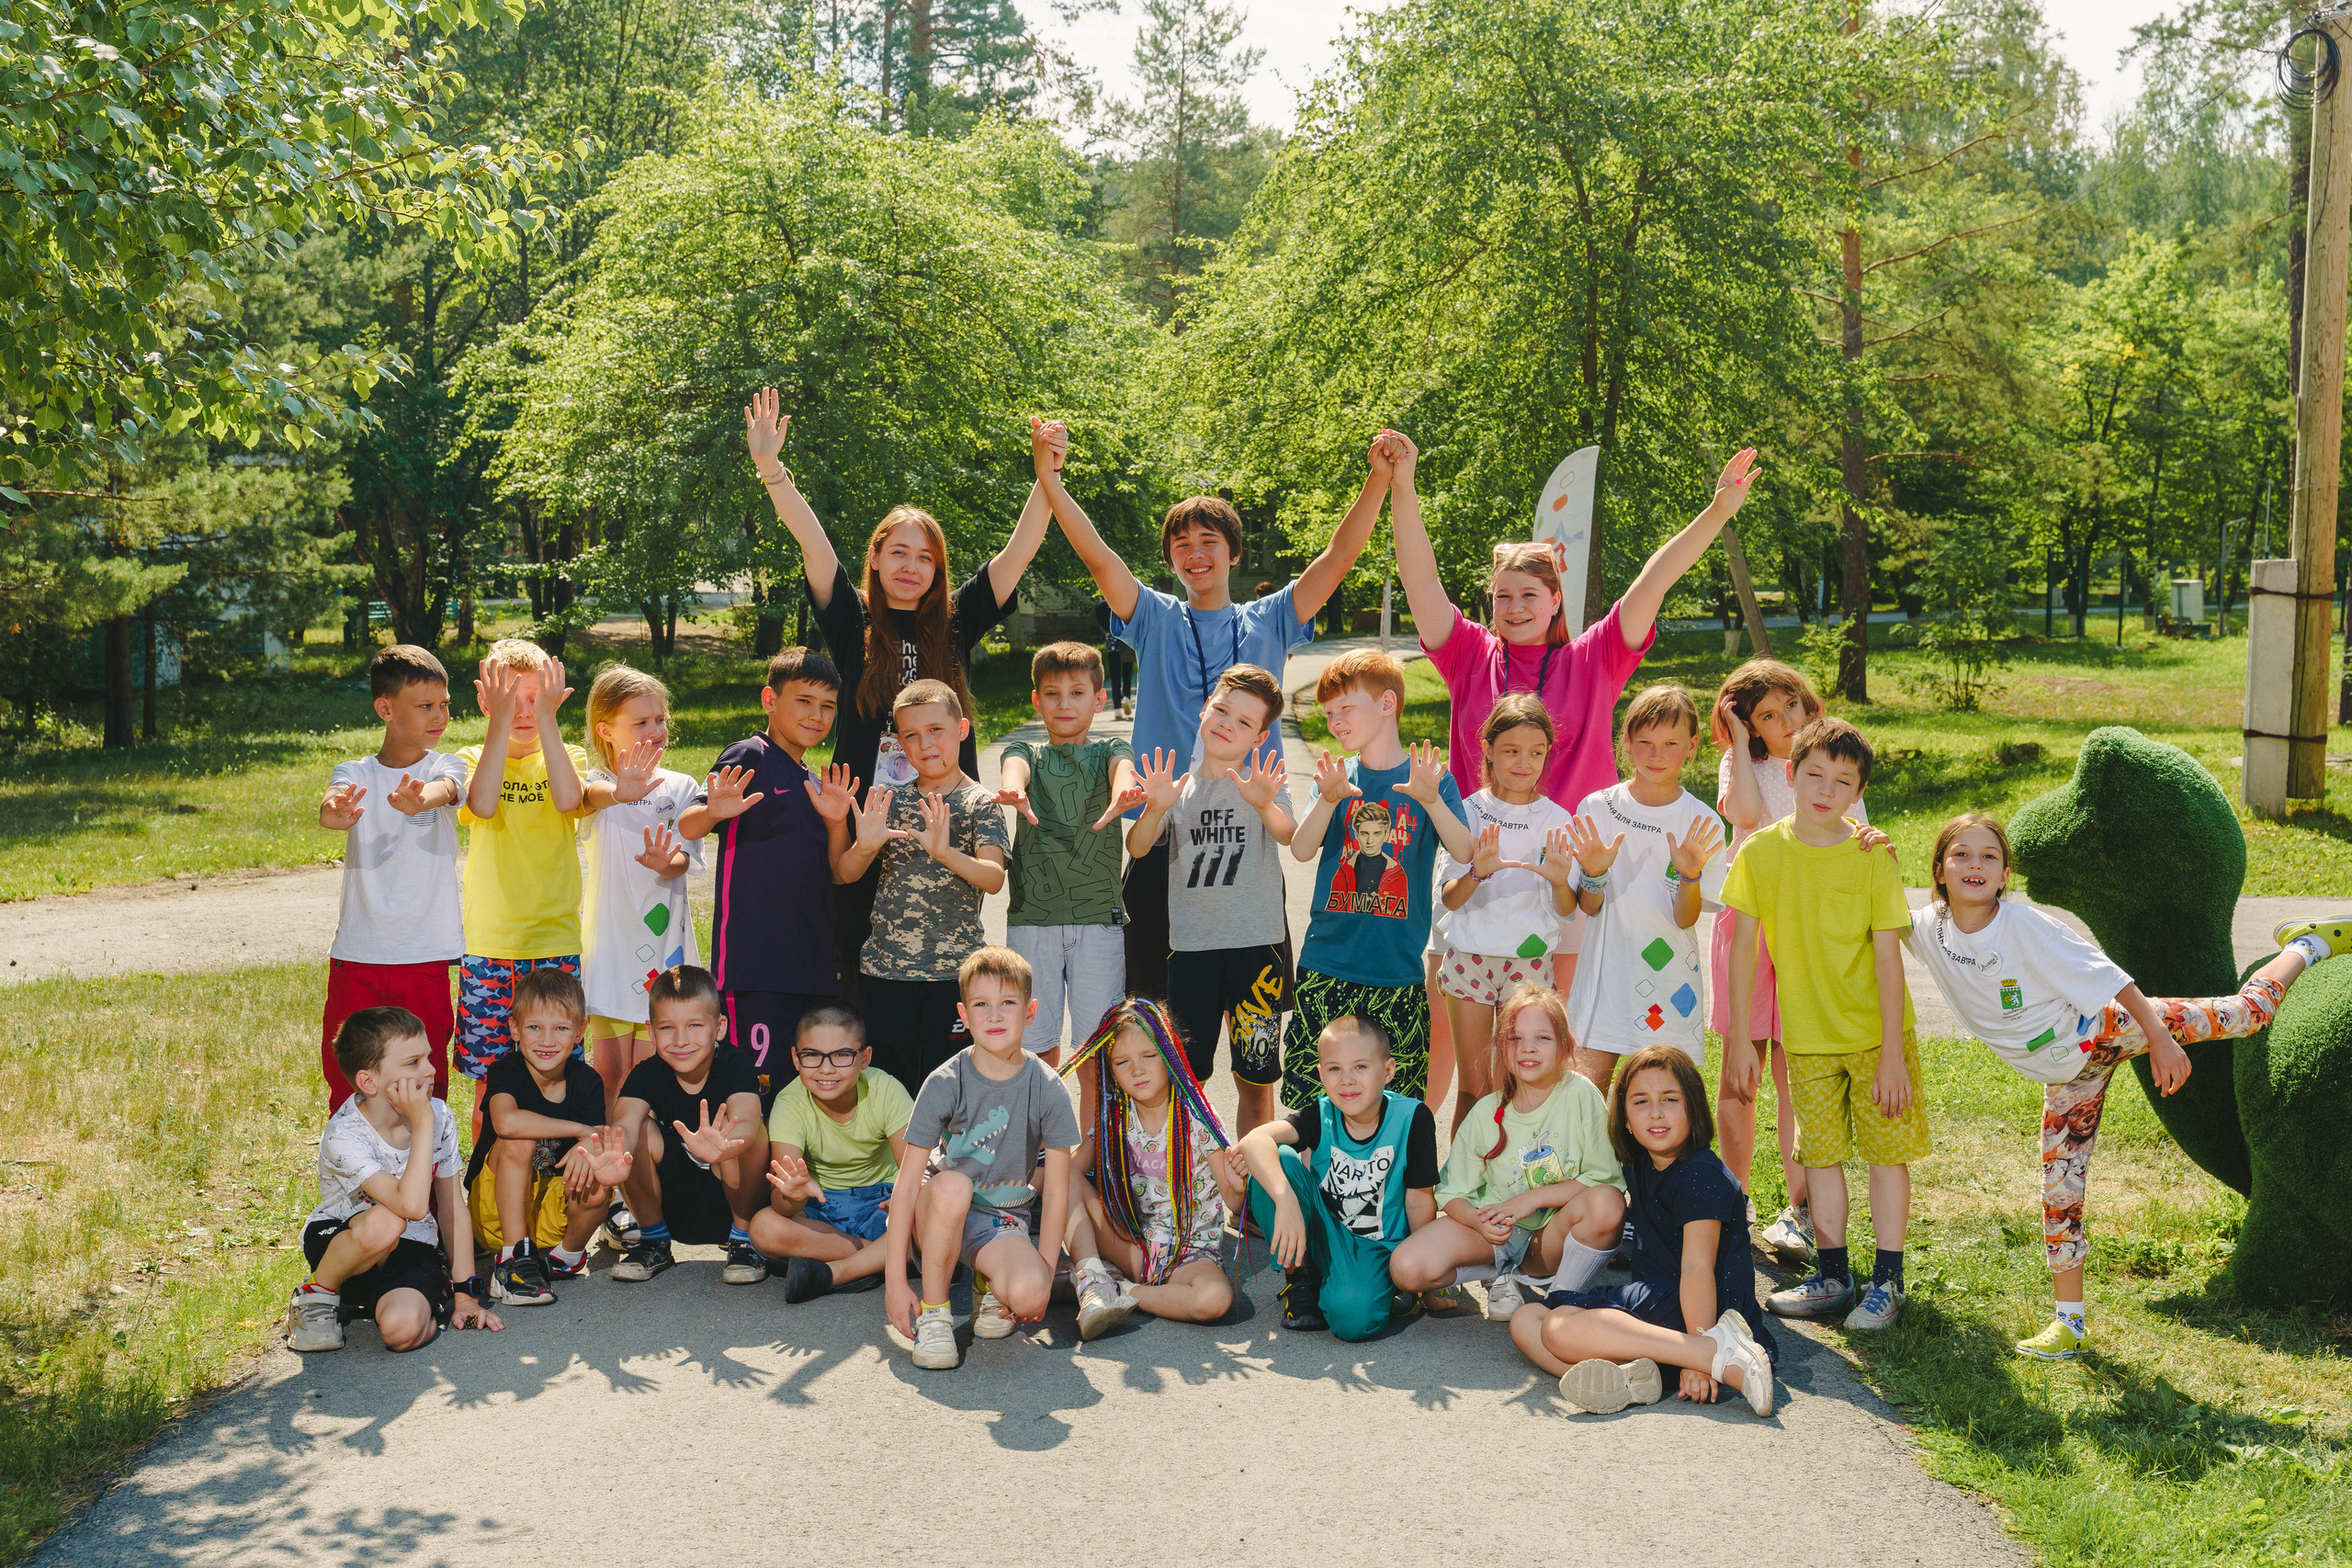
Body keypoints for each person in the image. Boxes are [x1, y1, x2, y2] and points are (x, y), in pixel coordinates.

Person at [1385, 430, 1761, 1107]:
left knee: (1544, 1064)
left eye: (1530, 594)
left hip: (1568, 891)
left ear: (1557, 600)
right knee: (1461, 1065)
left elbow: (1654, 580)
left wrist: (1717, 512)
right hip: (1482, 882)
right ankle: (1442, 1190)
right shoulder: (1470, 654)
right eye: (1503, 596)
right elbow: (1422, 580)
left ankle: (1547, 1195)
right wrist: (1403, 485)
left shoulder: (1593, 661)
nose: (1515, 607)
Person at [1903, 813, 2348, 1360]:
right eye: (1962, 855)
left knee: (2244, 1014)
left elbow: (2111, 977)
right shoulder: (1925, 927)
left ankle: (2308, 945)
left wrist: (2160, 1039)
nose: (1975, 865)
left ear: (2005, 874)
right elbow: (1864, 904)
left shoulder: (2024, 927)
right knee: (2059, 1197)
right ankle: (2070, 1325)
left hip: (2113, 1027)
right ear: (1940, 870)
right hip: (2069, 1076)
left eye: (1989, 857)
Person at [1037, 426, 1395, 1000]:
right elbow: (1098, 559)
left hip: (1245, 838)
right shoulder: (1153, 617)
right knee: (1156, 1028)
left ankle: (1252, 1094)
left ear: (1233, 551)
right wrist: (1050, 481)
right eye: (1181, 545)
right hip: (1163, 836)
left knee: (1254, 1048)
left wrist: (1378, 479)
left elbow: (1339, 556)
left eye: (1208, 541)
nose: (1195, 554)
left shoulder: (1272, 618)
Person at [743, 390, 1052, 1008]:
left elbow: (1018, 552)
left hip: (946, 815)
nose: (912, 566)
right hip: (864, 812)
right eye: (899, 553)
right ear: (877, 558)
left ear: (939, 570)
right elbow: (813, 543)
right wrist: (772, 470)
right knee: (854, 952)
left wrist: (1047, 479)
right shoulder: (852, 618)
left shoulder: (958, 618)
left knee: (946, 952)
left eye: (926, 557)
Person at [1721, 717, 1919, 1331]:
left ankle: (1889, 1280)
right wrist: (1737, 1040)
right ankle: (1834, 1275)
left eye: (1843, 780)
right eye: (1815, 775)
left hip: (1875, 1036)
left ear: (1857, 792)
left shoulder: (1872, 856)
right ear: (1790, 774)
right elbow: (1742, 947)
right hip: (1804, 1038)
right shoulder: (1760, 852)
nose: (1826, 789)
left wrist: (1891, 1053)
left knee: (1887, 1157)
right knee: (1822, 1157)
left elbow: (1889, 958)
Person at [1507, 1043, 1776, 1417]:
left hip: (1705, 1309)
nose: (1656, 1114)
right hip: (1656, 1306)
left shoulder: (1701, 1175)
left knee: (1556, 1328)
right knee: (1525, 1320)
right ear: (1627, 1121)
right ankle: (1626, 1382)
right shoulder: (1640, 1162)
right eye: (1640, 1102)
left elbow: (1698, 1268)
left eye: (1670, 1099)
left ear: (1694, 1109)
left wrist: (1698, 1356)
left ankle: (1715, 1354)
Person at [1708, 658, 1863, 1266]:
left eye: (1791, 706)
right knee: (1738, 1073)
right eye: (1766, 715)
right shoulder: (1739, 764)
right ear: (1745, 723)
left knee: (1797, 1073)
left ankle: (1799, 1207)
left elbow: (1856, 831)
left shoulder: (1829, 763)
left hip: (1809, 933)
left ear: (1807, 703)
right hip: (1747, 925)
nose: (1785, 720)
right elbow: (1746, 815)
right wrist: (1742, 750)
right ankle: (1732, 1196)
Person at [1282, 649, 1475, 1108]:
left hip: (1396, 974)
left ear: (1387, 704)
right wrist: (1328, 800)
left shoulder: (1431, 779)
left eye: (1345, 708)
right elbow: (1302, 849)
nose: (1335, 722)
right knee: (1315, 1104)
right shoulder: (1336, 777)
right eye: (1328, 714)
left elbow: (1465, 851)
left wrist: (1430, 800)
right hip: (1327, 966)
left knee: (1392, 1108)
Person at [883, 946, 1080, 1371]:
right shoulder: (944, 1082)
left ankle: (987, 1283)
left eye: (1007, 1004)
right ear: (964, 1014)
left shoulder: (1048, 1088)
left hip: (1002, 1219)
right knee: (955, 1185)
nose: (994, 1016)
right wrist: (895, 1282)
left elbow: (1059, 1191)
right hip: (938, 1210)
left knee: (1028, 1294)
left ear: (1030, 1012)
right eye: (981, 1005)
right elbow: (906, 1184)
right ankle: (936, 1313)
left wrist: (1045, 1271)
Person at [1123, 663, 1296, 1139]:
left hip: (1256, 950)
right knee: (1188, 1079)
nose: (1228, 724)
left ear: (1259, 738)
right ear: (1204, 709)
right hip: (1192, 951)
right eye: (1222, 710)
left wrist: (1263, 803)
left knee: (1256, 1081)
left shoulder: (1264, 784)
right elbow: (1138, 848)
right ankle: (1193, 1179)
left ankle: (1253, 1184)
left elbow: (1289, 834)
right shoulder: (1176, 790)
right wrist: (1155, 806)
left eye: (1245, 722)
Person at [679, 647, 855, 1110]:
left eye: (828, 706)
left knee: (806, 1092)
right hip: (756, 964)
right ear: (769, 700)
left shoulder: (814, 780)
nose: (817, 716)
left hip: (812, 964)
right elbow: (689, 823)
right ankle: (746, 1182)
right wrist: (711, 811)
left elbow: (837, 873)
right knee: (753, 1094)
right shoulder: (750, 754)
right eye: (804, 701)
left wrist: (839, 822)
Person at [1392, 986, 1624, 1322]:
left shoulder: (1580, 1095)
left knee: (1608, 1204)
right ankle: (1498, 1271)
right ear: (1501, 1048)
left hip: (1553, 1237)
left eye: (1542, 1038)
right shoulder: (1486, 1112)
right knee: (1406, 1268)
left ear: (1565, 1046)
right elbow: (1452, 1193)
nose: (1528, 1047)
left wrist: (1530, 1200)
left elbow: (1605, 1179)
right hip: (1498, 1231)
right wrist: (1478, 1223)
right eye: (1515, 1038)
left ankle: (1561, 1300)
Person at [286, 1006, 502, 1353]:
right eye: (413, 1062)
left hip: (410, 1249)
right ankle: (316, 1298)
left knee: (402, 1333)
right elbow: (412, 1206)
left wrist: (465, 1297)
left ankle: (404, 1300)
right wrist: (422, 1123)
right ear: (369, 1082)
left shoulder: (439, 1117)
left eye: (429, 1057)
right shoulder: (345, 1134)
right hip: (343, 1246)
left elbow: (451, 1210)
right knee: (386, 1222)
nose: (431, 1069)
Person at [833, 679, 1011, 1088]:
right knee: (889, 1087)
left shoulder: (978, 803)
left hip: (952, 974)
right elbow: (845, 874)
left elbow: (994, 878)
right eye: (912, 735)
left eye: (936, 731)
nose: (926, 744)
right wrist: (865, 845)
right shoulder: (889, 800)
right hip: (885, 973)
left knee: (949, 1088)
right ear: (899, 743)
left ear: (961, 730)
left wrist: (946, 853)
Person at [317, 644, 467, 1111]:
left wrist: (422, 799)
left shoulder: (444, 766)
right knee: (350, 1074)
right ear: (385, 708)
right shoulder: (355, 772)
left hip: (423, 958)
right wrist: (336, 812)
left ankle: (424, 1180)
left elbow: (449, 789)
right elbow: (332, 802)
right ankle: (356, 1178)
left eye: (444, 705)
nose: (439, 716)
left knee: (423, 1080)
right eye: (425, 706)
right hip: (357, 956)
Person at [1562, 684, 1727, 1092]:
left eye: (1671, 743)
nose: (1657, 755)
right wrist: (1594, 875)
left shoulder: (1702, 823)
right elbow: (1589, 906)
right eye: (1646, 742)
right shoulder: (1596, 808)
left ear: (1691, 746)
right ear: (1627, 743)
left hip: (1671, 986)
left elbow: (1686, 917)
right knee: (1587, 1096)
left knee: (1664, 1101)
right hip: (1606, 980)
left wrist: (1689, 876)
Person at [1233, 1014, 1440, 1340]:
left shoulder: (1412, 1118)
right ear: (1321, 1074)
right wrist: (1286, 1201)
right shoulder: (1322, 1112)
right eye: (1334, 1069)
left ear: (1387, 1071)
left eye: (1360, 1067)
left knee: (1351, 1321)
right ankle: (1301, 1279)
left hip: (1376, 1249)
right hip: (1321, 1232)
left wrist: (1426, 1278)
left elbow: (1419, 1200)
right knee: (1275, 1160)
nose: (1346, 1080)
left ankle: (1352, 1289)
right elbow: (1252, 1141)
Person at [455, 639, 591, 1126]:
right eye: (511, 697)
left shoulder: (565, 751)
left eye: (536, 698)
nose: (524, 710)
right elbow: (483, 804)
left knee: (561, 1082)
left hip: (556, 941)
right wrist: (498, 726)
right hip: (491, 946)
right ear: (485, 699)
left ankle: (556, 1193)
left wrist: (549, 724)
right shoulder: (473, 756)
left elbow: (568, 799)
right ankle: (483, 1194)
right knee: (490, 1088)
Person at [1430, 694, 1577, 1133]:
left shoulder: (1557, 818)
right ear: (1489, 750)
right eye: (1511, 750)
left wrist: (1557, 880)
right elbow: (1451, 899)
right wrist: (1477, 872)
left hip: (1530, 969)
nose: (1523, 762)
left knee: (1520, 1088)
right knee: (1475, 1092)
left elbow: (1567, 910)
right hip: (1469, 963)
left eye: (1536, 753)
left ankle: (1515, 1190)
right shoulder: (1468, 813)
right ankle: (1461, 1192)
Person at [1059, 999, 1250, 1337]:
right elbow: (1069, 1175)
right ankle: (1091, 1276)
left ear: (1169, 1053)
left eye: (1148, 1055)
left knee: (1215, 1300)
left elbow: (1235, 1204)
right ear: (1110, 1071)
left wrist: (1238, 1185)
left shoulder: (1197, 1117)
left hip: (1190, 1256)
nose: (1137, 1070)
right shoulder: (1113, 1116)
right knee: (1060, 1175)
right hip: (1129, 1244)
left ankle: (1117, 1290)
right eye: (1122, 1061)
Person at [998, 641, 1138, 1066]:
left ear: (1099, 699)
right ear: (1037, 701)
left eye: (1077, 693)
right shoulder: (1028, 753)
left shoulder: (1110, 749)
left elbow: (1124, 771)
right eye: (1053, 694)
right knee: (1035, 1051)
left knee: (1097, 1051)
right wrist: (1015, 790)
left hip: (1098, 921)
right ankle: (1044, 1136)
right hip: (1032, 920)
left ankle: (1094, 1135)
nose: (1064, 704)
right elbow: (1013, 768)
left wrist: (1122, 795)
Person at [577, 665, 705, 1119]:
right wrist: (618, 790)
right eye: (641, 722)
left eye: (661, 720)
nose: (656, 731)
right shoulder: (594, 788)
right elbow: (585, 799)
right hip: (611, 951)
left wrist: (664, 863)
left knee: (652, 1071)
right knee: (610, 1072)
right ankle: (612, 1171)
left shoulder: (681, 786)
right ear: (605, 730)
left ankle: (648, 1172)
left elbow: (685, 857)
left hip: (664, 953)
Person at [464, 967, 632, 1307]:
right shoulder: (505, 1071)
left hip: (551, 1210)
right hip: (496, 1212)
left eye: (560, 1028)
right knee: (519, 1139)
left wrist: (590, 1141)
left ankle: (565, 1258)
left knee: (598, 1169)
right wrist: (579, 1130)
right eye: (534, 1027)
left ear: (580, 1031)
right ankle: (512, 1261)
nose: (546, 1040)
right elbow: (506, 1122)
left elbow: (597, 1136)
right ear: (514, 1028)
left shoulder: (586, 1081)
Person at [610, 965, 772, 1287]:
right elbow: (624, 1125)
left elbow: (749, 1119)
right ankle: (653, 1241)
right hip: (675, 1205)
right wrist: (612, 1156)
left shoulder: (734, 1064)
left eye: (695, 1025)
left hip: (734, 1201)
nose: (681, 1040)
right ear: (651, 1031)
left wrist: (724, 1147)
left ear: (719, 1027)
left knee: (746, 1131)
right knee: (636, 1132)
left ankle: (744, 1242)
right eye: (667, 1028)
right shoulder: (646, 1073)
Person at [750, 1005, 913, 1305]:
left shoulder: (885, 1089)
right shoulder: (789, 1103)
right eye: (812, 1055)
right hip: (822, 1209)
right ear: (796, 1059)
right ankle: (885, 1258)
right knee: (763, 1227)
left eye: (841, 1055)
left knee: (928, 1217)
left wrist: (906, 1205)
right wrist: (795, 1195)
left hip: (884, 1202)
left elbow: (915, 1173)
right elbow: (782, 1205)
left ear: (864, 1058)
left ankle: (839, 1271)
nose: (826, 1069)